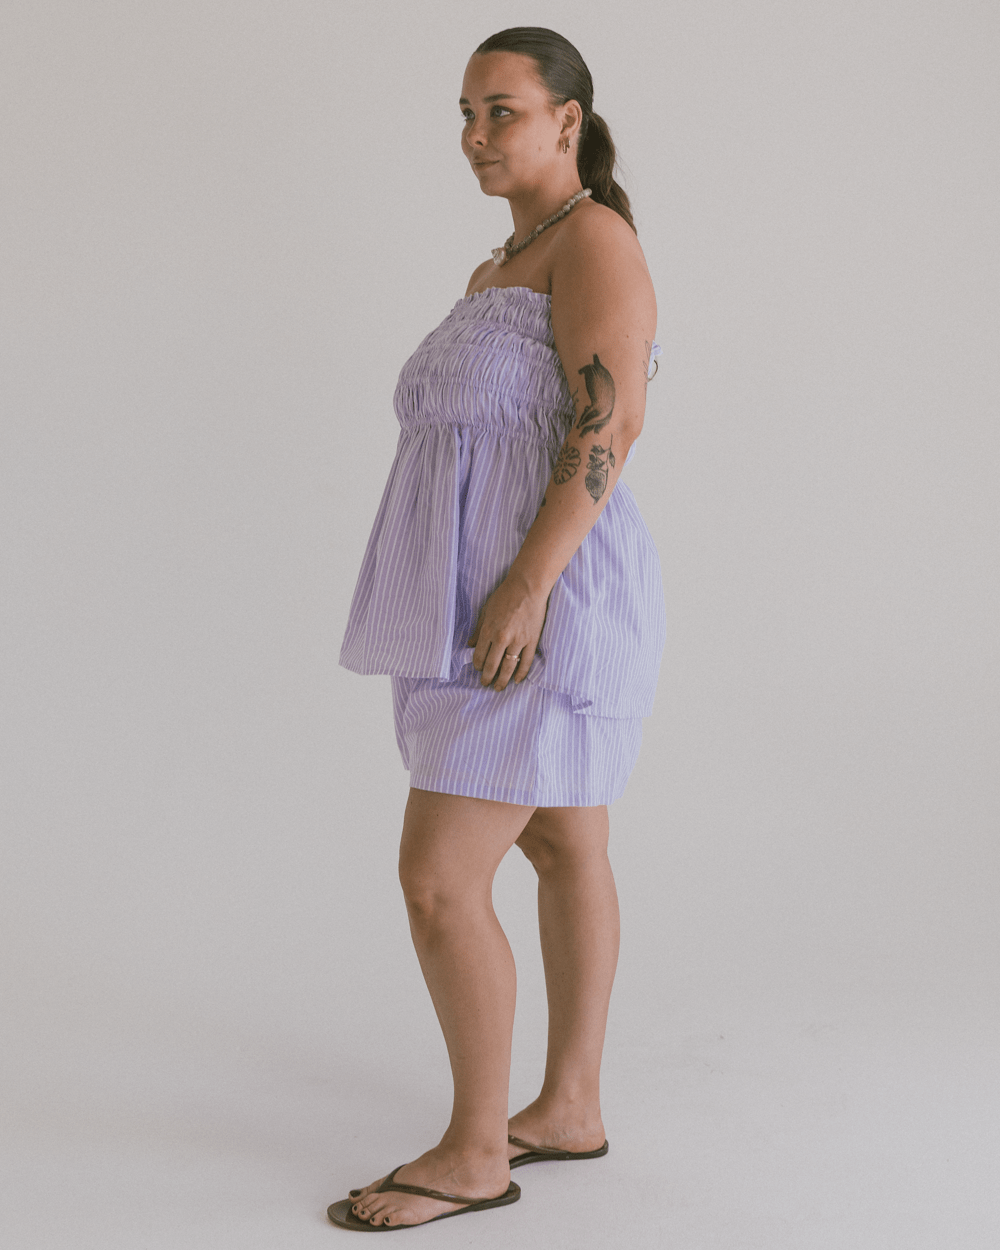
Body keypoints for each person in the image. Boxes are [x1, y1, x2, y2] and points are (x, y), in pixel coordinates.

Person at [328, 26, 665, 1232]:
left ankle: (477, 1151)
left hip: (533, 603)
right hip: (473, 604)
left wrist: (526, 583)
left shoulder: (594, 239)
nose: (475, 136)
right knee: (563, 843)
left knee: (438, 880)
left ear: (567, 119)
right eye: (464, 114)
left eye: (501, 111)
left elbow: (606, 426)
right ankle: (568, 1104)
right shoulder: (501, 265)